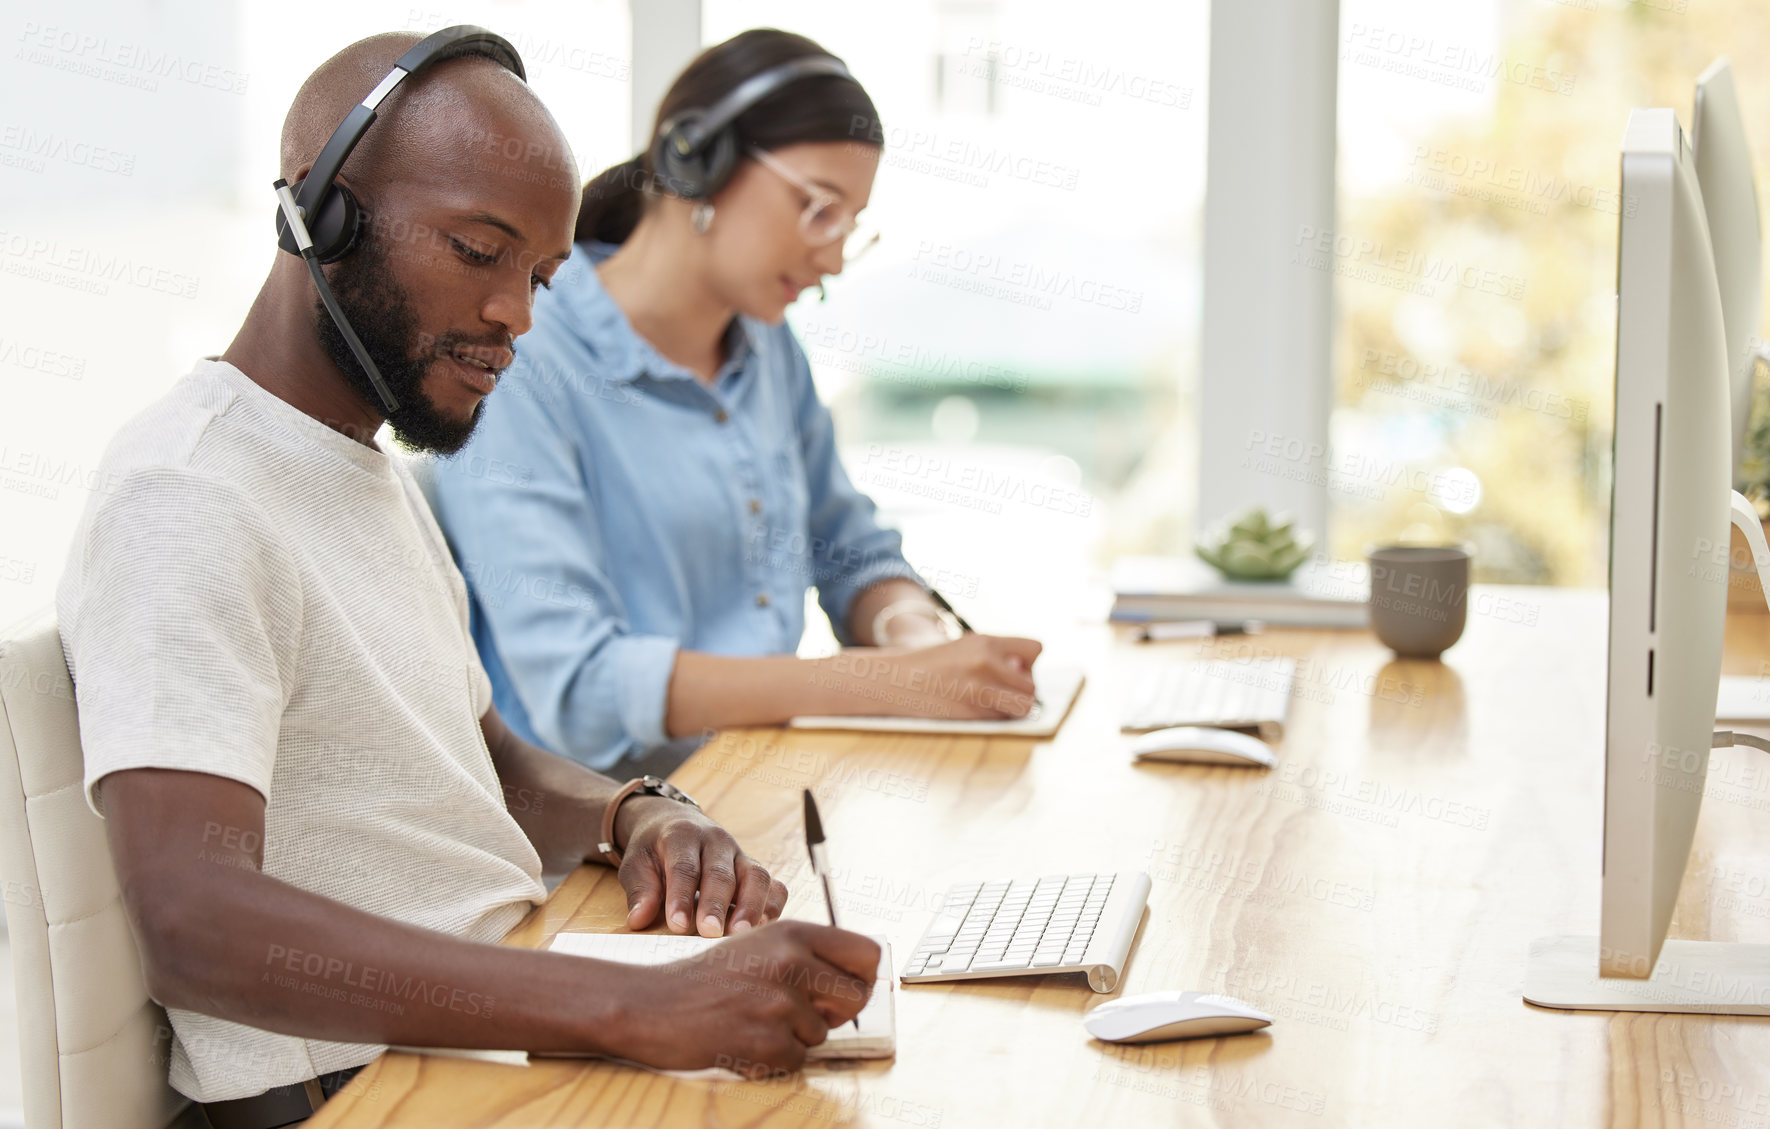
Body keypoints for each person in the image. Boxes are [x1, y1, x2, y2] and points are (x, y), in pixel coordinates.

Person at [55, 30, 876, 1121]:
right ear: (324, 213)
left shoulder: (360, 472)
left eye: (539, 276)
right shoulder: (190, 493)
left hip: (482, 1040)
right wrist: (630, 1007)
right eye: (478, 252)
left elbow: (480, 759)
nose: (517, 318)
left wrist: (636, 814)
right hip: (355, 1089)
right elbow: (195, 924)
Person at [429, 29, 1044, 777]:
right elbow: (582, 692)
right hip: (612, 844)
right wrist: (888, 683)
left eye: (852, 225)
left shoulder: (766, 345)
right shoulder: (526, 356)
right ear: (697, 158)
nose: (835, 257)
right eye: (819, 209)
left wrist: (911, 632)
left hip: (756, 784)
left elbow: (849, 547)